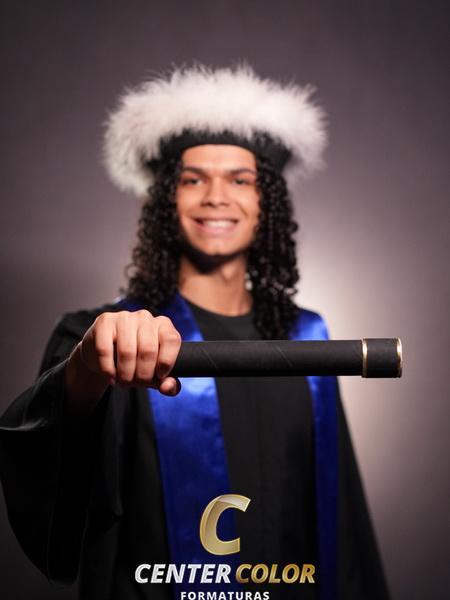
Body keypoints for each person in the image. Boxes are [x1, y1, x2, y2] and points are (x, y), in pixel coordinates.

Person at [0, 65, 389, 600]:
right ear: (167, 200)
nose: (215, 197)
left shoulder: (307, 337)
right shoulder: (113, 339)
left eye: (240, 179)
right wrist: (88, 368)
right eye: (192, 179)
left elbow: (342, 518)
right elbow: (53, 493)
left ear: (267, 201)